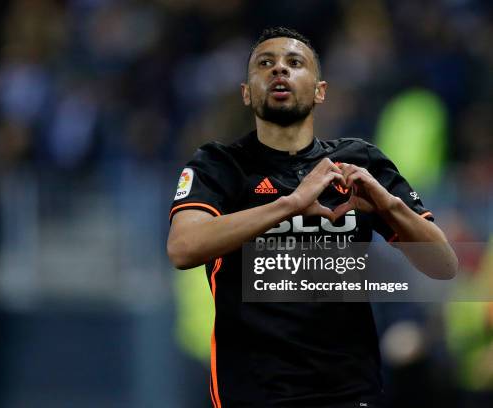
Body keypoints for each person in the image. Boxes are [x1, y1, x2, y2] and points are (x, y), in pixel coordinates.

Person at [167, 27, 457, 408]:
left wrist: (390, 206)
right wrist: (289, 205)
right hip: (254, 394)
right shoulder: (219, 165)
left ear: (320, 90)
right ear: (247, 92)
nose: (279, 71)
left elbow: (443, 264)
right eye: (265, 64)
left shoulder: (358, 163)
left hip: (350, 393)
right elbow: (183, 248)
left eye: (294, 62)